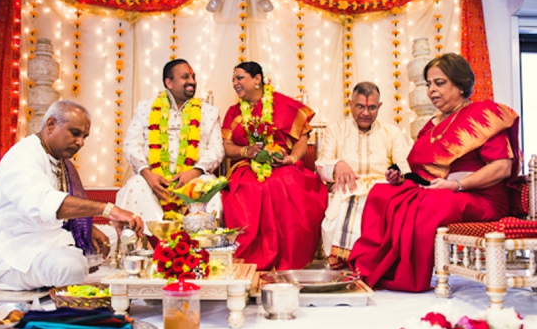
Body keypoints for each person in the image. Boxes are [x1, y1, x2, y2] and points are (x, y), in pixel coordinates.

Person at [348, 53, 521, 292]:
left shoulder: (484, 115)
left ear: (460, 84)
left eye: (439, 83)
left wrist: (457, 185)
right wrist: (401, 178)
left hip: (482, 197)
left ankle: (405, 275)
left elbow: (502, 167)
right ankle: (372, 269)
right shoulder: (432, 125)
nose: (431, 90)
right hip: (444, 192)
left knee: (431, 202)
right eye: (429, 84)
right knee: (381, 192)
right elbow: (425, 175)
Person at [0, 100, 144, 291]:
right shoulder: (24, 156)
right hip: (11, 253)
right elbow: (45, 204)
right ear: (51, 124)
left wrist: (89, 227)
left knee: (113, 237)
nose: (81, 142)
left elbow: (57, 213)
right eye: (75, 133)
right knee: (70, 265)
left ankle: (72, 263)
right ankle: (69, 275)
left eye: (84, 137)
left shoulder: (58, 161)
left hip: (47, 240)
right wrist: (109, 210)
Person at [222, 61, 328, 270]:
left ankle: (289, 261)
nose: (235, 83)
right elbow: (226, 146)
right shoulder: (234, 112)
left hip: (281, 163)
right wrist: (246, 151)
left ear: (257, 79)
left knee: (286, 184)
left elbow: (303, 135)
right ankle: (249, 263)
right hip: (246, 165)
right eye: (233, 79)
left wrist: (292, 158)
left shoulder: (282, 104)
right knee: (250, 188)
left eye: (240, 77)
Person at [116, 59, 224, 235]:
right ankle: (147, 250)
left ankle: (203, 252)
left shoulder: (209, 112)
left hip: (195, 180)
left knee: (210, 189)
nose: (192, 81)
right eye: (185, 77)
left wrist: (194, 172)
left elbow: (216, 150)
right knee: (136, 185)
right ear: (169, 82)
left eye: (193, 77)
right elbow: (131, 144)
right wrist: (147, 173)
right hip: (154, 180)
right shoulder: (145, 108)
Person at [316, 82, 411, 269]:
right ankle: (346, 262)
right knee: (346, 200)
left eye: (372, 107)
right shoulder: (335, 130)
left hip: (382, 189)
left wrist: (396, 176)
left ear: (379, 106)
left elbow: (404, 167)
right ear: (350, 105)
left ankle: (376, 265)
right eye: (360, 106)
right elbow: (321, 163)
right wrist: (337, 164)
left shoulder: (392, 133)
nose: (366, 113)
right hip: (347, 188)